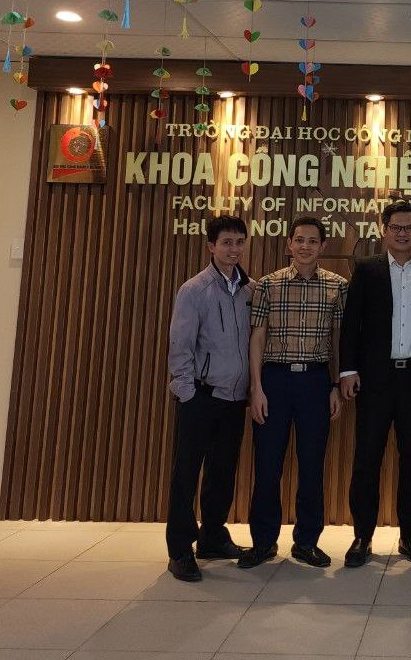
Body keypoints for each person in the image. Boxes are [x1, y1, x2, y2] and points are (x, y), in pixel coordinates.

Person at [340, 201, 411, 568]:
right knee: (367, 459)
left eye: (409, 228)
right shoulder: (367, 269)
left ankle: (409, 535)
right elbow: (351, 324)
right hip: (374, 380)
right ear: (384, 231)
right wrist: (348, 370)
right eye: (396, 227)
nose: (403, 233)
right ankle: (362, 536)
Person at [238, 217, 348, 570]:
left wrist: (335, 385)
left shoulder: (337, 286)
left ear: (323, 246)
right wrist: (256, 388)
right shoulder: (268, 285)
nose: (305, 246)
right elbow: (257, 337)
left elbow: (338, 340)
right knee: (267, 465)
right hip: (274, 381)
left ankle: (306, 542)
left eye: (312, 241)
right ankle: (263, 542)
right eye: (299, 240)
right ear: (289, 243)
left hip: (315, 381)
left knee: (312, 465)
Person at [165, 215, 252, 583]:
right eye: (226, 242)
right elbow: (180, 345)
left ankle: (213, 537)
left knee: (222, 472)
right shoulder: (194, 290)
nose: (233, 249)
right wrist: (187, 392)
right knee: (186, 473)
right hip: (200, 395)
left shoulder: (250, 290)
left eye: (239, 242)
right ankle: (180, 550)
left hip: (235, 399)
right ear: (211, 246)